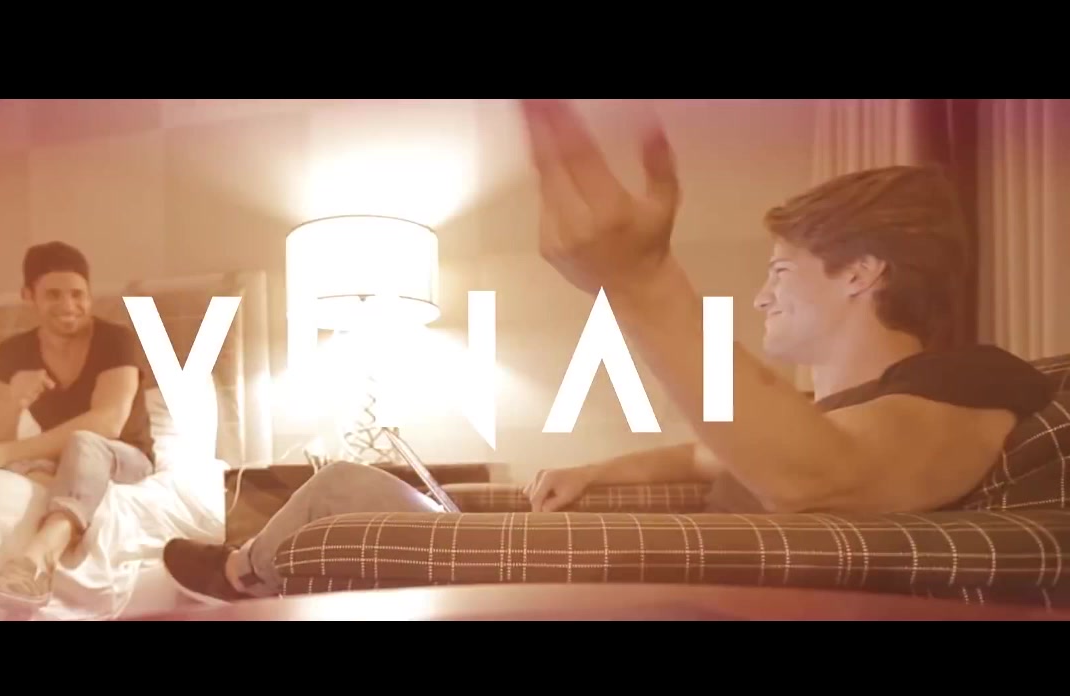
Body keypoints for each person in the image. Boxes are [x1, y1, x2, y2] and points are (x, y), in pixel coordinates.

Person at [161, 99, 1053, 603]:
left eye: (782, 270)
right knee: (349, 485)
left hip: (644, 587)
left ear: (863, 272)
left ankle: (241, 579)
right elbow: (712, 455)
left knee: (348, 512)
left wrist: (643, 283)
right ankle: (241, 574)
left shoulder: (971, 378)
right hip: (631, 567)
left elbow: (823, 481)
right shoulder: (829, 413)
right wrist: (596, 473)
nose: (761, 294)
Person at [0, 242, 156, 614]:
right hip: (57, 456)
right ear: (28, 295)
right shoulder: (12, 353)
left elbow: (107, 423)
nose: (68, 305)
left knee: (85, 442)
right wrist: (14, 398)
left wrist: (5, 455)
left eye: (78, 294)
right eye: (54, 294)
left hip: (123, 457)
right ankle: (45, 475)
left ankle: (36, 562)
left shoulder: (116, 340)